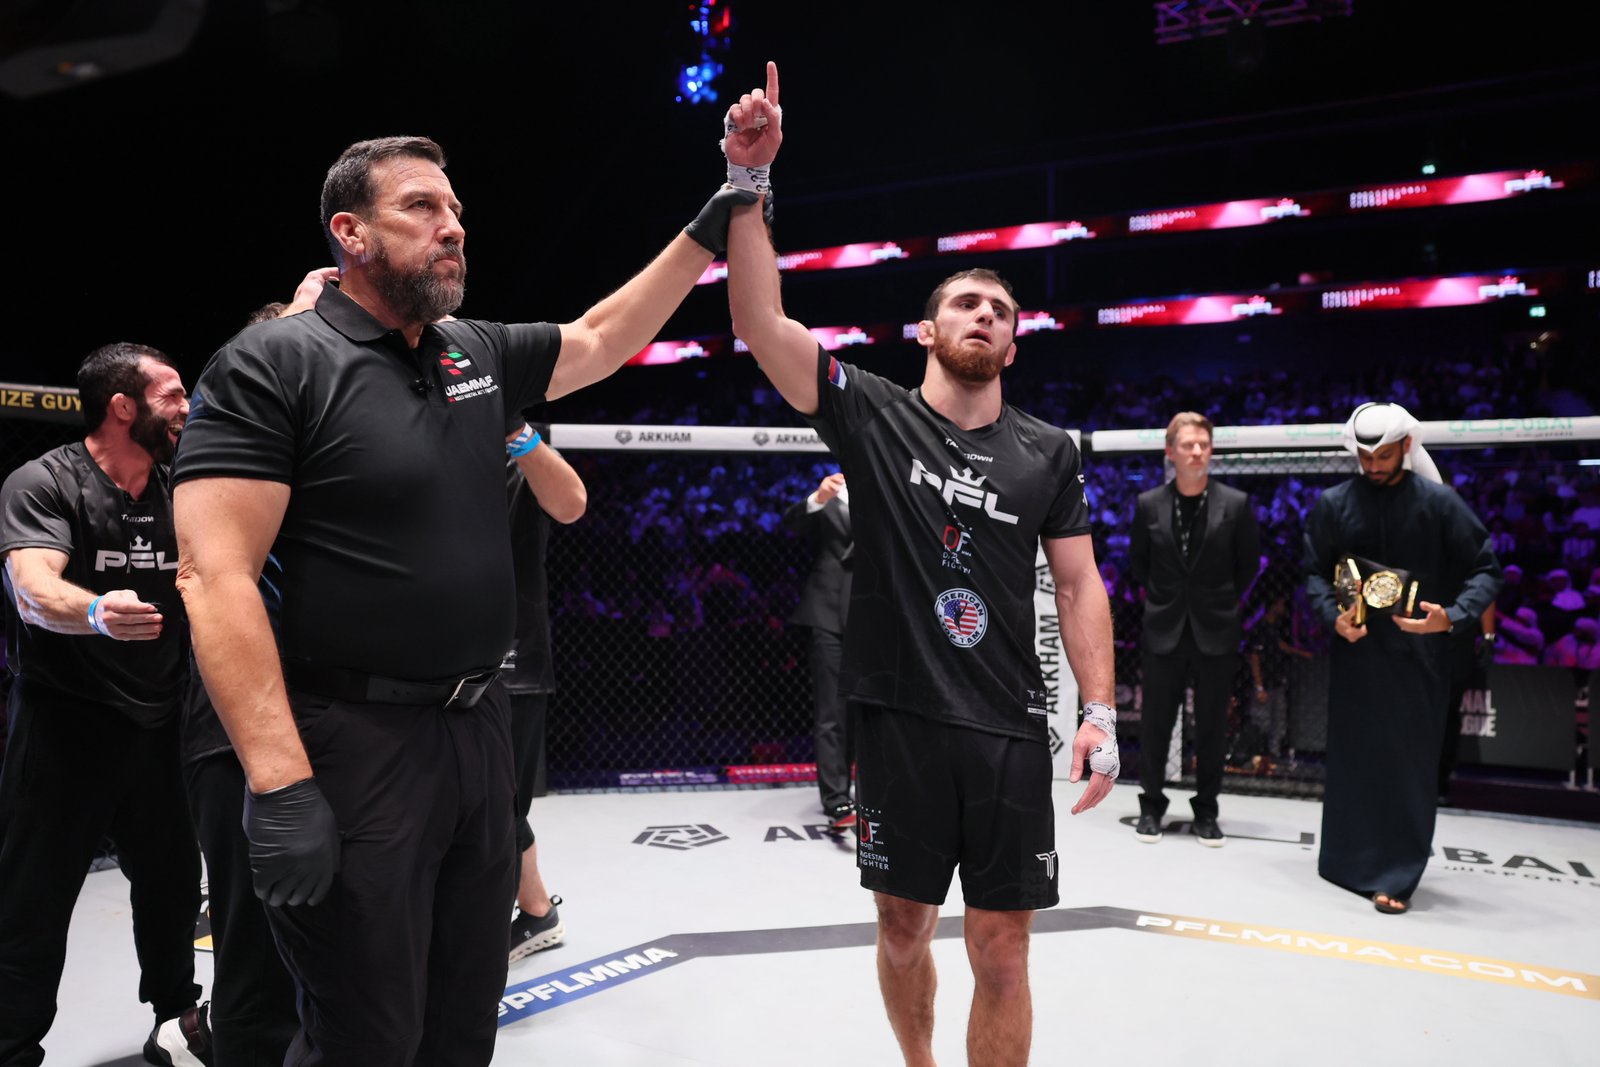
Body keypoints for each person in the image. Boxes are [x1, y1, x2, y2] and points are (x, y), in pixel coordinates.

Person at [172, 136, 745, 1065]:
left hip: (477, 728)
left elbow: (602, 338)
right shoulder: (271, 362)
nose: (453, 228)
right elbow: (215, 574)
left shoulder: (471, 351)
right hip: (351, 738)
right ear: (351, 232)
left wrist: (715, 217)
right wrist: (279, 784)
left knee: (462, 1025)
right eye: (422, 208)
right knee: (366, 1034)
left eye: (456, 212)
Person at [722, 63, 1118, 1067]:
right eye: (966, 302)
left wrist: (1102, 709)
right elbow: (760, 324)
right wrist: (749, 181)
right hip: (897, 717)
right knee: (902, 928)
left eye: (1000, 309)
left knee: (1004, 947)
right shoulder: (873, 412)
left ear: (1013, 344)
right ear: (928, 331)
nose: (984, 314)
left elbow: (1079, 582)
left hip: (1007, 725)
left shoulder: (1048, 451)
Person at [0, 343, 203, 1066]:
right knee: (32, 899)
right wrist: (94, 612)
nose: (186, 406)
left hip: (160, 721)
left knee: (173, 886)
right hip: (65, 724)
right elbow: (32, 588)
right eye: (171, 393)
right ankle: (12, 1046)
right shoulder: (45, 480)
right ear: (123, 406)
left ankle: (177, 1020)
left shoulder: (184, 483)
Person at [1304, 401, 1501, 915]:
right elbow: (1314, 572)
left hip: (1420, 657)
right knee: (1353, 759)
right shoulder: (1334, 503)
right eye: (1366, 457)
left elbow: (1486, 569)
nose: (1374, 466)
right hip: (1357, 653)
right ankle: (1345, 863)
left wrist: (1452, 617)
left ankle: (1396, 875)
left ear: (1406, 447)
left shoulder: (1440, 503)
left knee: (1409, 767)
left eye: (1384, 456)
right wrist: (1332, 617)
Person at [1129, 412, 1261, 846]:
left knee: (1211, 727)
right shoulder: (1148, 503)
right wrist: (1165, 600)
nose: (1197, 451)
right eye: (1188, 445)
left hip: (1216, 629)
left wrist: (1220, 602)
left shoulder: (1235, 504)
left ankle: (1206, 811)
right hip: (1164, 627)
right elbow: (1139, 565)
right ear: (1171, 452)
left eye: (1203, 444)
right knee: (1155, 724)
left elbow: (1248, 566)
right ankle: (1151, 807)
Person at [500, 418, 587, 963]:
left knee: (497, 807)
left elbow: (572, 503)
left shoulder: (518, 461)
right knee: (483, 808)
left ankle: (508, 924)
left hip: (507, 663)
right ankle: (536, 911)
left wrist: (516, 429)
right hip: (429, 660)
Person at [781, 469, 856, 831]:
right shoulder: (829, 495)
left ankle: (877, 797)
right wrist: (818, 498)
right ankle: (837, 800)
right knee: (832, 712)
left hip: (877, 615)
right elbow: (791, 525)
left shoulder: (889, 484)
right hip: (828, 613)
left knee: (875, 713)